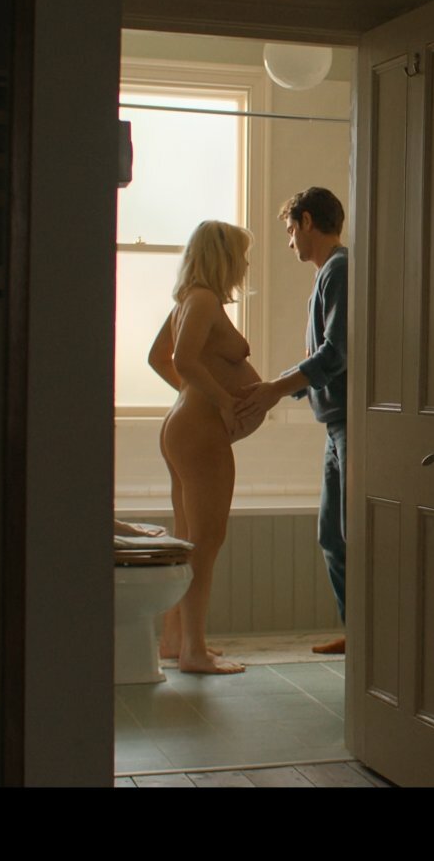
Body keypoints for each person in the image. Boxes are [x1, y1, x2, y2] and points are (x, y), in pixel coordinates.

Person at [149, 219, 266, 675]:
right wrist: (221, 401)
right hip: (198, 431)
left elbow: (158, 358)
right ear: (224, 257)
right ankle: (193, 651)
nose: (245, 265)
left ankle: (174, 640)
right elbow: (181, 360)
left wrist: (194, 396)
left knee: (188, 538)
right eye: (242, 256)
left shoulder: (190, 300)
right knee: (205, 541)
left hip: (185, 425)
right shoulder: (202, 300)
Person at [237, 187, 348, 655]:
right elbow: (324, 360)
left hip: (348, 425)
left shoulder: (339, 270)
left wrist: (275, 391)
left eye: (289, 230)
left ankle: (369, 637)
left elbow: (336, 353)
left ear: (306, 222)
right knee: (332, 535)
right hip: (335, 424)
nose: (288, 242)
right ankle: (359, 632)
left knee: (348, 533)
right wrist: (275, 389)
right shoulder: (328, 274)